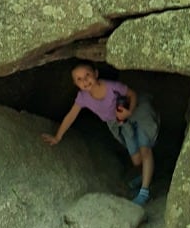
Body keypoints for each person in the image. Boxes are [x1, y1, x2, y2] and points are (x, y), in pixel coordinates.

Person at [42, 60, 159, 206]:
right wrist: (58, 136)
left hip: (136, 113)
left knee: (145, 149)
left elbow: (132, 94)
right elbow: (71, 116)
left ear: (96, 74)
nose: (85, 81)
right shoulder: (83, 98)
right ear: (75, 84)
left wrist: (128, 111)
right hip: (118, 122)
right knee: (136, 160)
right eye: (79, 79)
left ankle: (144, 191)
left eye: (87, 75)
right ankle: (145, 175)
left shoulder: (111, 87)